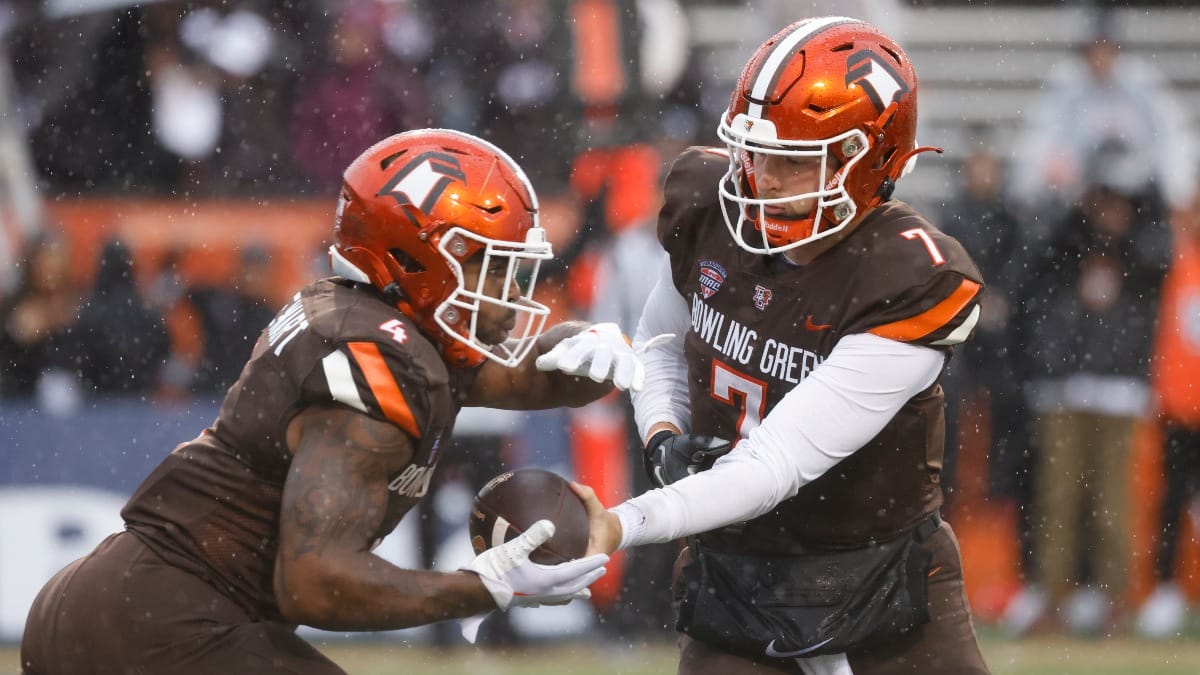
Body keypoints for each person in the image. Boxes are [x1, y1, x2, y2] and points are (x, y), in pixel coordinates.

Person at [20, 129, 642, 674]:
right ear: (417, 258)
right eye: (493, 270)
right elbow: (315, 582)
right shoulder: (383, 357)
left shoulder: (385, 323)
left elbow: (526, 374)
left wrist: (592, 349)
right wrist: (485, 587)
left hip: (126, 603)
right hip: (157, 617)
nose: (511, 297)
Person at [560, 17, 991, 674]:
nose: (759, 178)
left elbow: (773, 467)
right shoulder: (711, 209)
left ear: (863, 159)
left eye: (791, 159)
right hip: (738, 575)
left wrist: (622, 524)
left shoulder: (907, 276)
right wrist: (662, 436)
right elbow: (661, 341)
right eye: (752, 152)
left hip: (883, 580)